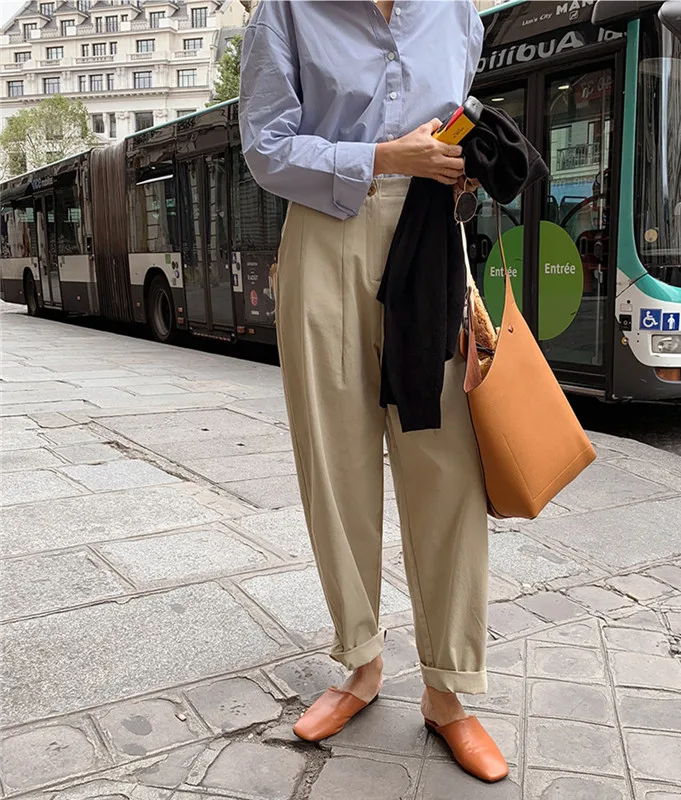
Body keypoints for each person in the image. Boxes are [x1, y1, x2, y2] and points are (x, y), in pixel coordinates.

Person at [239, 0, 506, 783]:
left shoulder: (454, 13)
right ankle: (361, 662)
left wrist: (462, 162)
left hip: (431, 236)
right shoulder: (287, 11)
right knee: (337, 462)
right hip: (326, 233)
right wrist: (385, 157)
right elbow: (266, 148)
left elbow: (452, 123)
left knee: (449, 467)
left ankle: (447, 691)